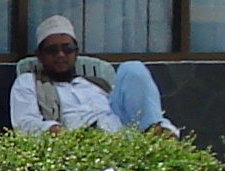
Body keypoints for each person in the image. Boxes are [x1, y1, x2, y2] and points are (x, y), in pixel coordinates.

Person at [9, 15, 178, 136]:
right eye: (52, 50)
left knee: (132, 68)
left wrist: (166, 127)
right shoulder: (29, 82)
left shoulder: (97, 83)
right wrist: (56, 131)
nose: (60, 55)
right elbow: (25, 124)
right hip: (82, 142)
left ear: (76, 52)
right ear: (39, 55)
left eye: (67, 49)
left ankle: (155, 131)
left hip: (125, 135)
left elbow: (135, 107)